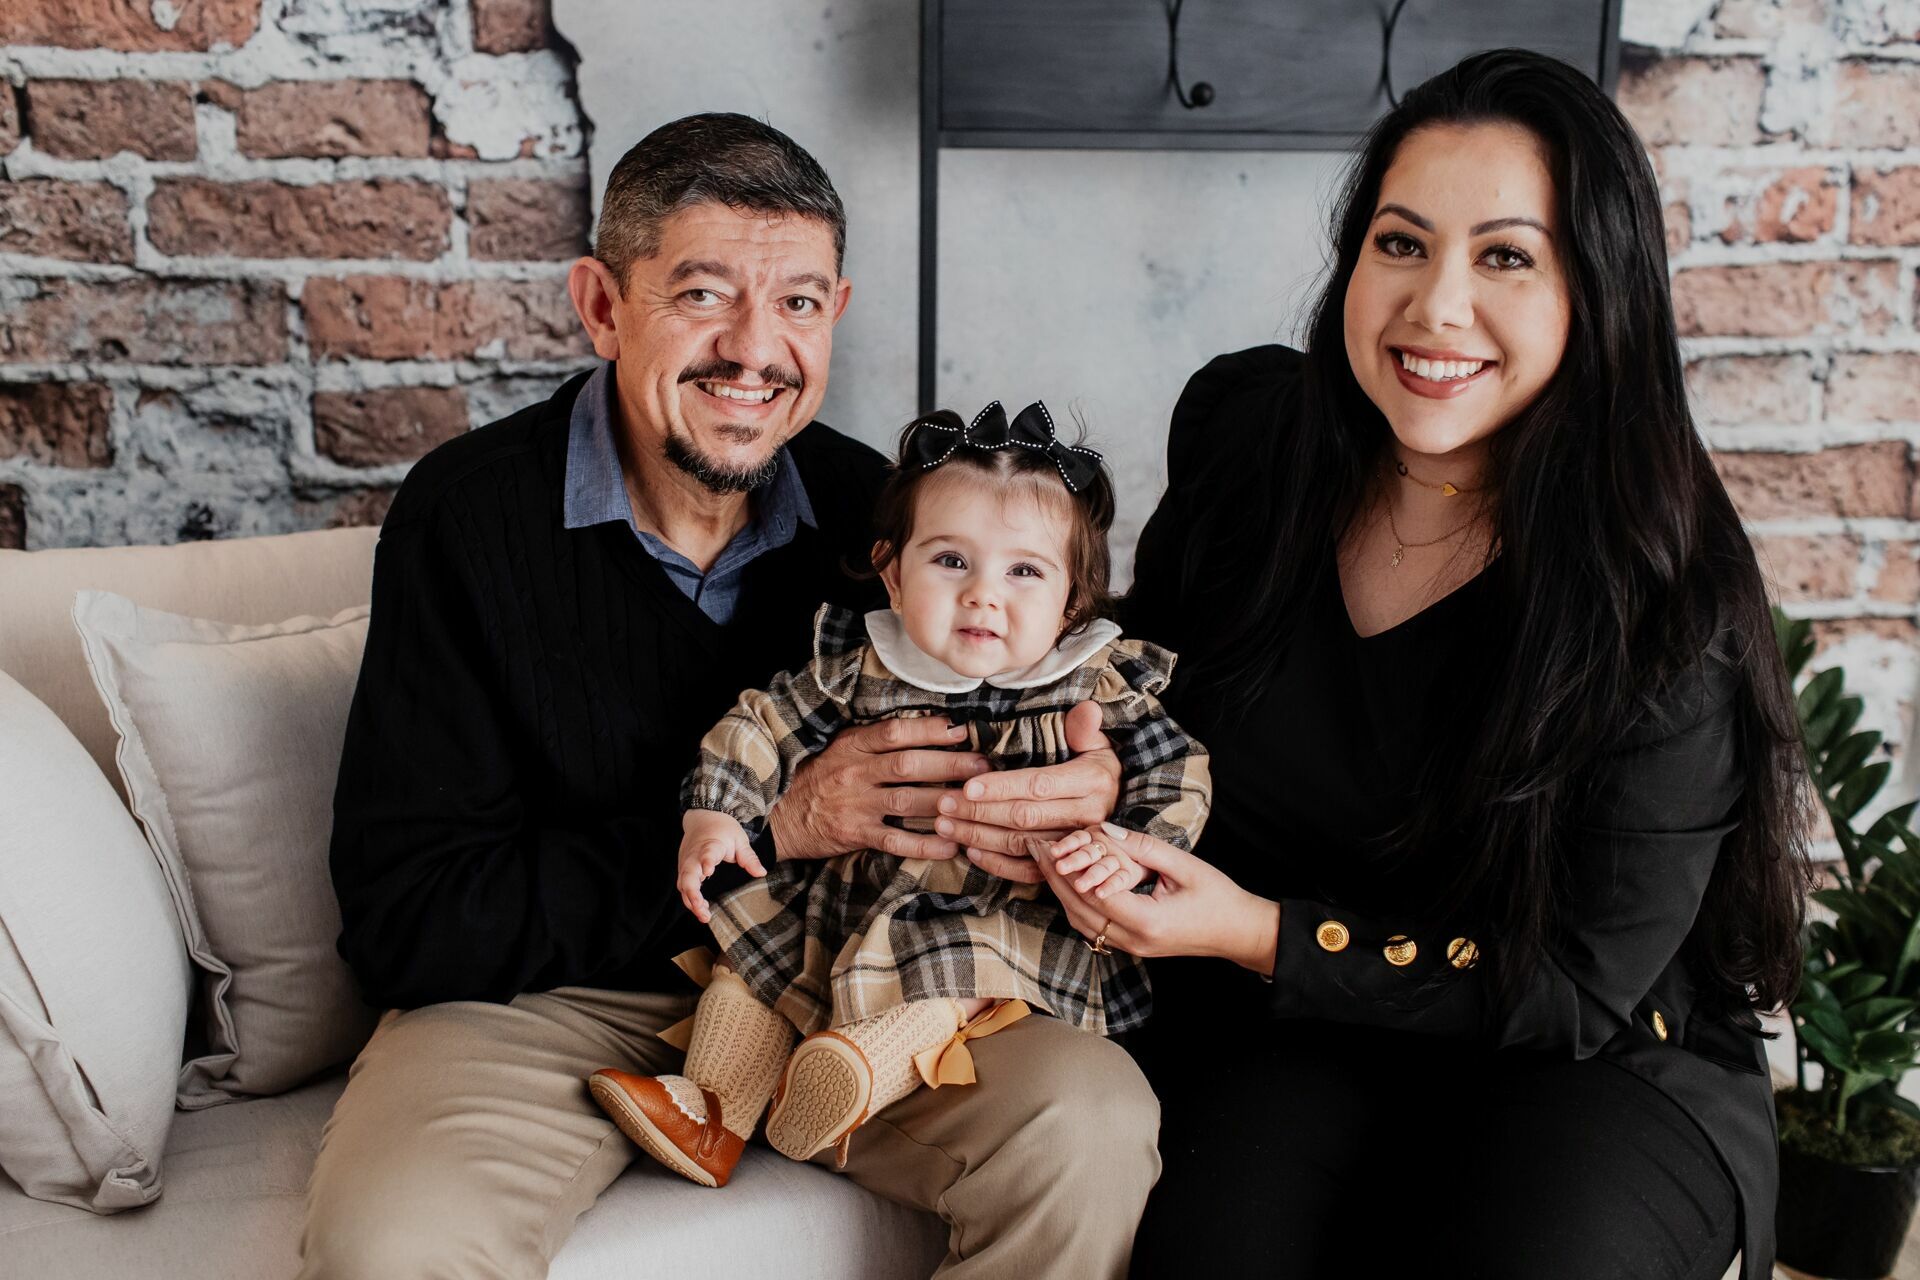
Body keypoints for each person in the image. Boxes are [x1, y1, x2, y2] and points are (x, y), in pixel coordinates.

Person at [307, 113, 1155, 1280]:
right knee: (392, 1248)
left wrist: (1094, 775)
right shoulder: (469, 518)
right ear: (603, 305)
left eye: (799, 303)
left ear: (837, 314)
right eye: (704, 295)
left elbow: (1075, 656)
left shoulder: (890, 516)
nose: (757, 351)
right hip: (547, 1003)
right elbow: (408, 917)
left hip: (847, 983)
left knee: (1088, 1120)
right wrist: (768, 829)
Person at [1035, 50, 1809, 1280]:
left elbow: (1570, 983)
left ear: (1595, 288)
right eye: (1401, 243)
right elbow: (1142, 692)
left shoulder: (1668, 592)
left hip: (1593, 1053)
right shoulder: (1248, 440)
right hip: (1289, 1028)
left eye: (1505, 255)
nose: (1436, 306)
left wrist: (1255, 931)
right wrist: (1082, 766)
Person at [587, 401, 1210, 1187]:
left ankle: (857, 1072)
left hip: (994, 913)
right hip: (842, 899)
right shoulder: (858, 667)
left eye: (1024, 570)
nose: (984, 595)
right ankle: (711, 1110)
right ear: (893, 571)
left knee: (956, 970)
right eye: (951, 561)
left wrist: (1127, 849)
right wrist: (716, 810)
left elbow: (1177, 770)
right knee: (746, 960)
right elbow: (760, 723)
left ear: (1075, 602)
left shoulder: (1093, 684)